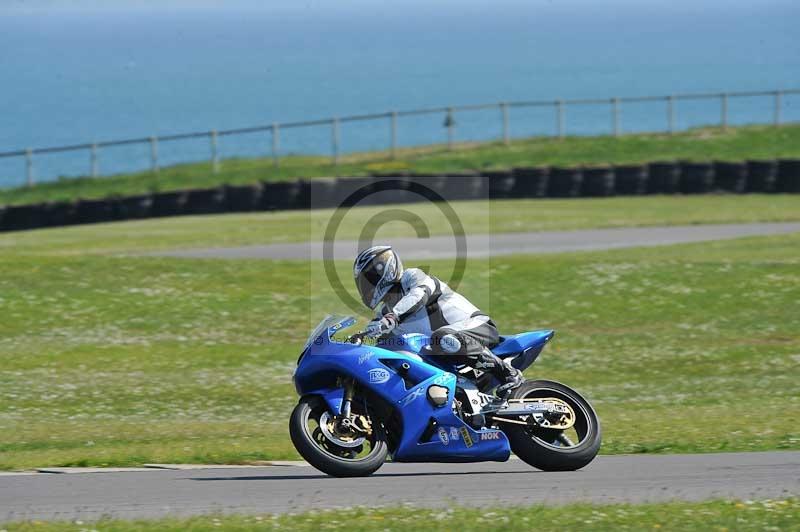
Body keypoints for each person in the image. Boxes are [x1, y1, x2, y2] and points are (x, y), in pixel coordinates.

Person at [353, 245, 522, 397]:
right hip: (443, 351)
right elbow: (377, 345)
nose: (366, 285)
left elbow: (419, 295)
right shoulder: (385, 311)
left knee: (443, 338)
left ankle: (508, 373)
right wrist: (356, 343)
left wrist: (392, 317)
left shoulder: (413, 277)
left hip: (477, 327)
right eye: (363, 281)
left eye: (369, 277)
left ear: (385, 269)